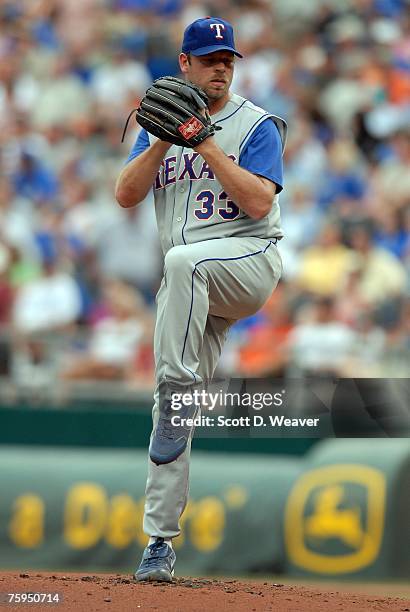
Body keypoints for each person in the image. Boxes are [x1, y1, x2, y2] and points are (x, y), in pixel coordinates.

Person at [115, 16, 286, 582]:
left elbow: (259, 204)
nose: (221, 67)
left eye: (228, 59)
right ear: (183, 63)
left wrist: (205, 144)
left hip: (247, 261)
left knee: (182, 262)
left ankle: (176, 385)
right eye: (210, 57)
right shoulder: (158, 124)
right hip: (191, 284)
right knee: (173, 402)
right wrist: (165, 137)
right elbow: (126, 194)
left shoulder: (256, 125)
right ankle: (159, 543)